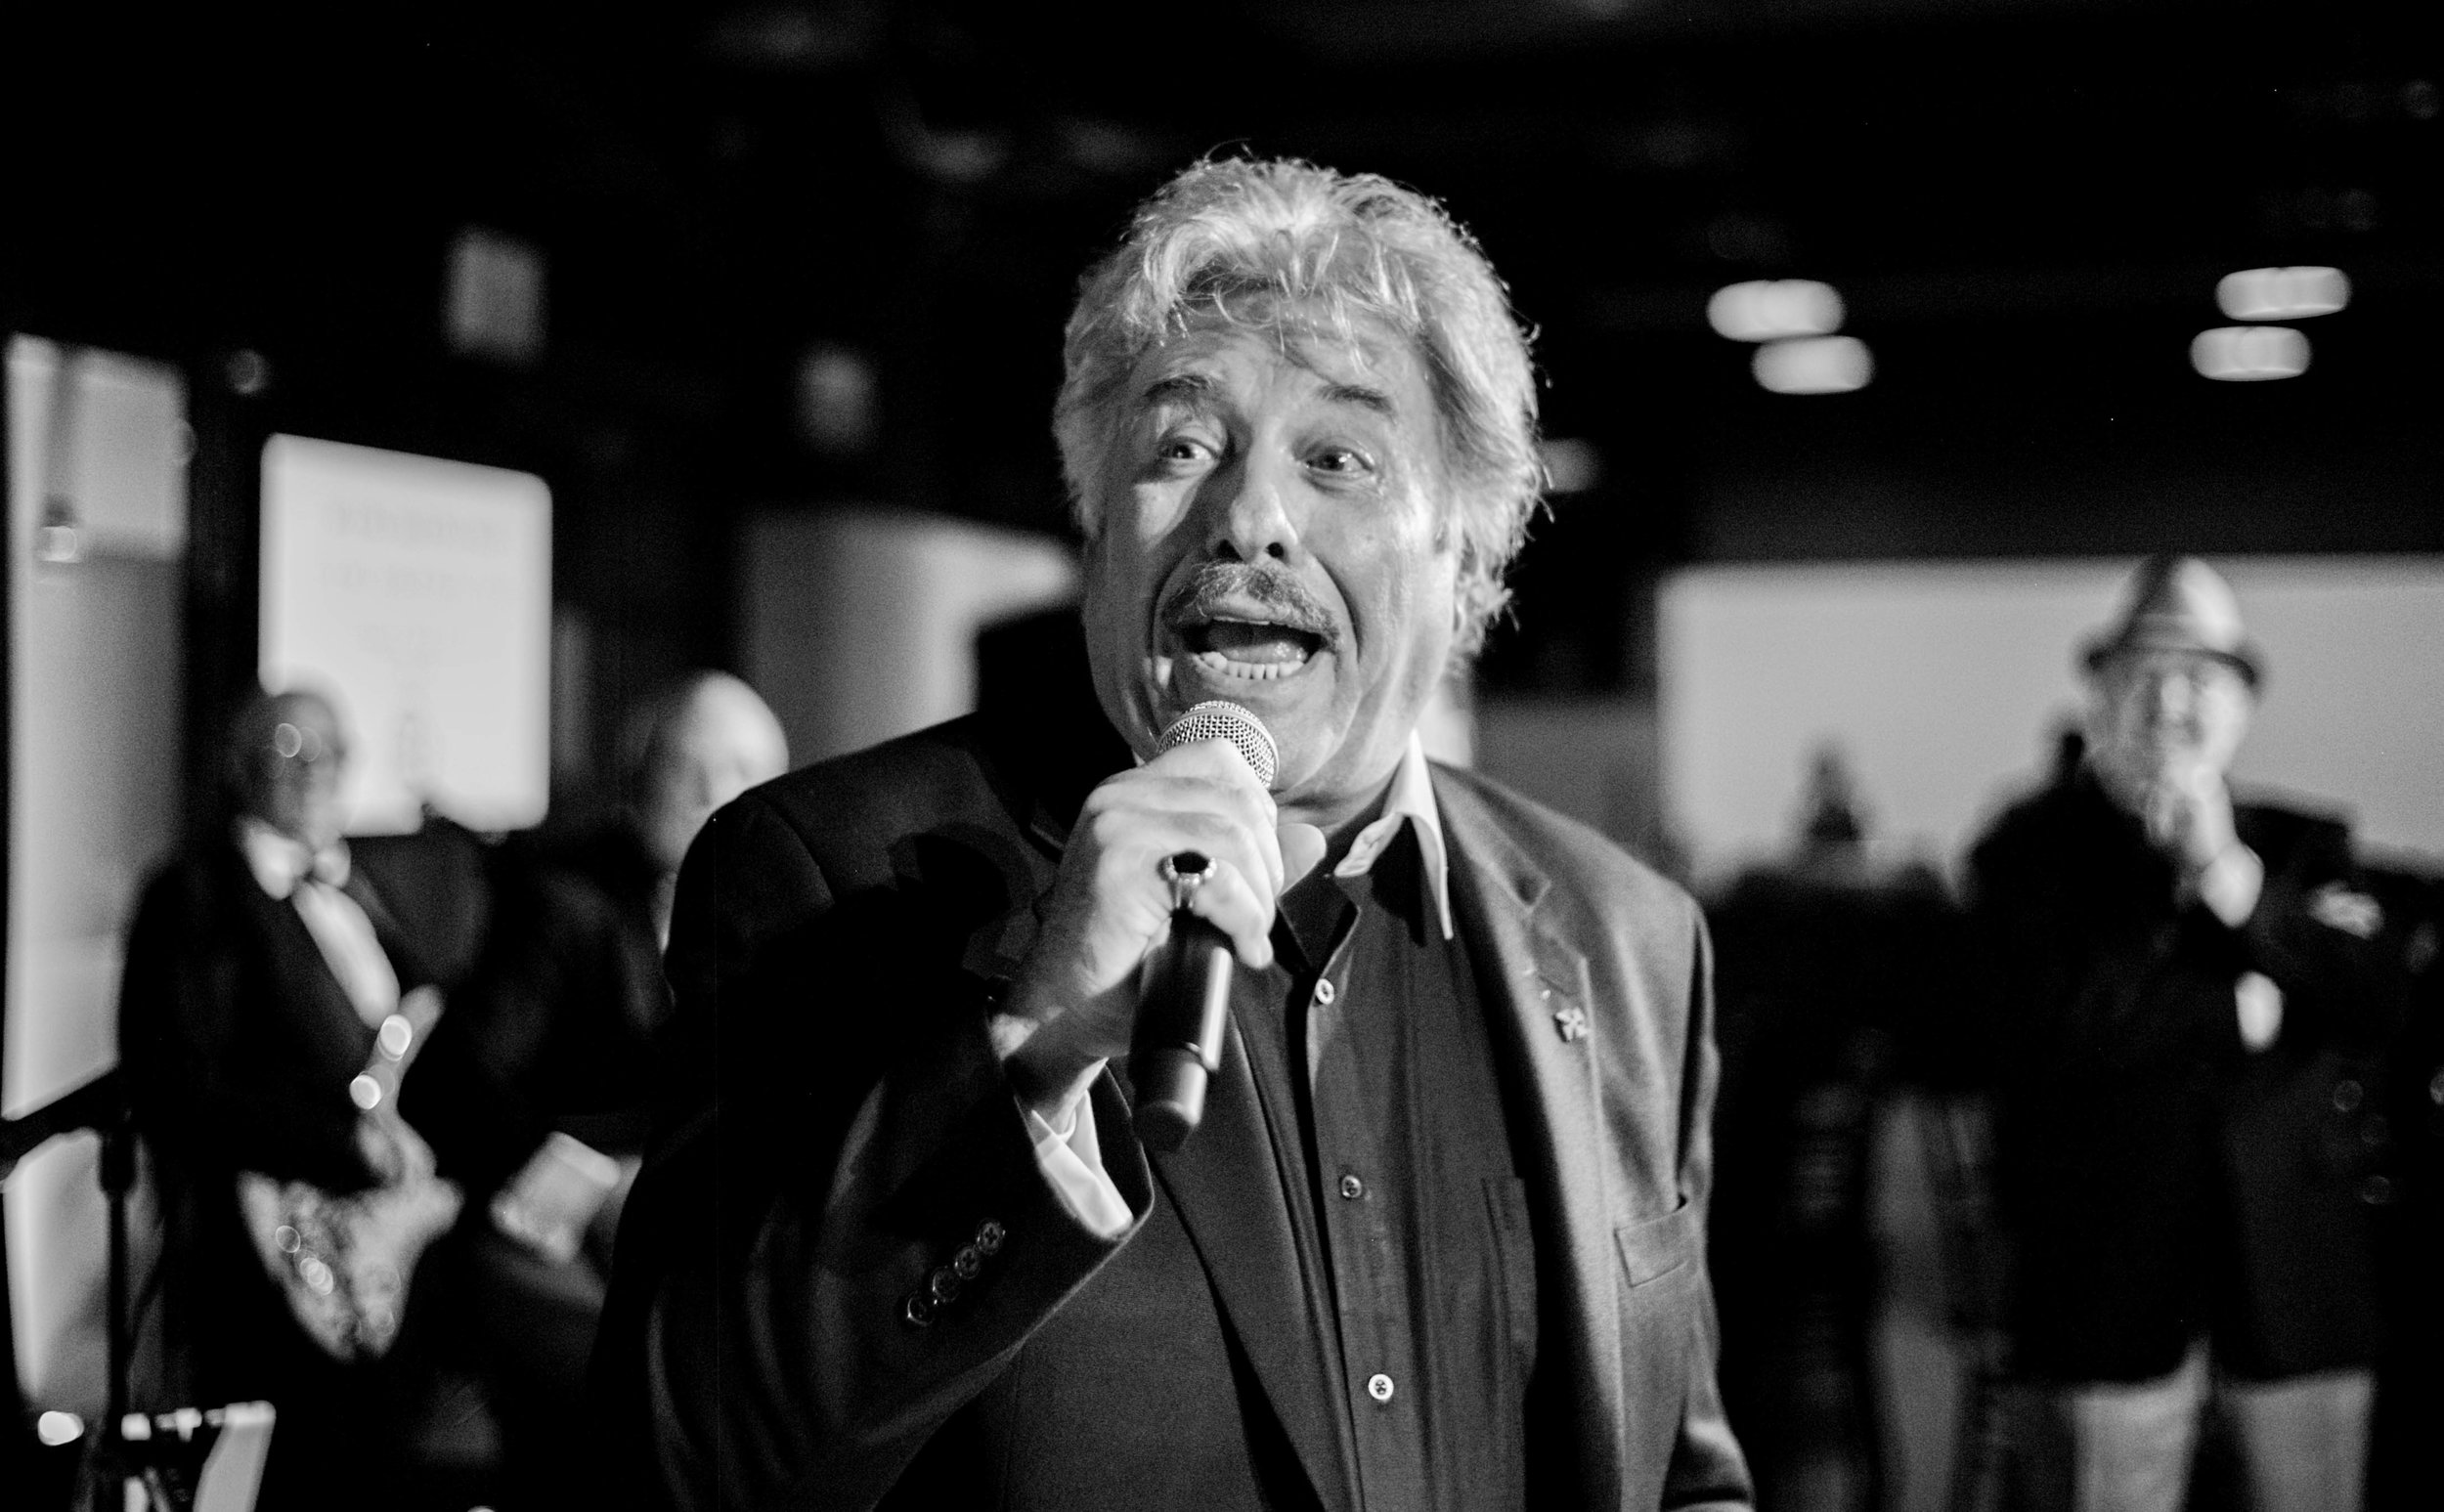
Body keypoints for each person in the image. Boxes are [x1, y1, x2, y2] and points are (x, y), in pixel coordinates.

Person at [591, 156, 1752, 1511]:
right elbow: (679, 1467)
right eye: (1181, 448)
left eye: (1338, 458)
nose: (1248, 517)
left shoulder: (1628, 941)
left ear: (1464, 554)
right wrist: (1028, 1048)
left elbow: (1683, 1472)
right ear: (1097, 530)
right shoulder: (822, 874)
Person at [1962, 556, 2410, 1512]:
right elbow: (2052, 1024)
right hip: (2101, 1300)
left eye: (2200, 676)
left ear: (2240, 706)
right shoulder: (2025, 851)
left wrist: (2223, 873)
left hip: (2298, 1297)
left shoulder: (2307, 846)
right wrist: (2243, 1007)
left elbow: (2372, 999)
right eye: (2145, 673)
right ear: (2100, 695)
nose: (2170, 700)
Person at [405, 671, 788, 1508]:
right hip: (563, 1248)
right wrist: (581, 1183)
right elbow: (448, 1082)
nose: (716, 794)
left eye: (745, 772)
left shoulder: (787, 913)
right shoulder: (565, 899)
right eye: (689, 768)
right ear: (638, 780)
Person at [118, 688, 461, 1510]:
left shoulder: (358, 887)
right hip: (262, 1259)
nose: (316, 771)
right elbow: (177, 1083)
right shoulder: (194, 892)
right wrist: (343, 1143)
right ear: (242, 768)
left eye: (333, 752)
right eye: (289, 750)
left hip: (378, 1258)